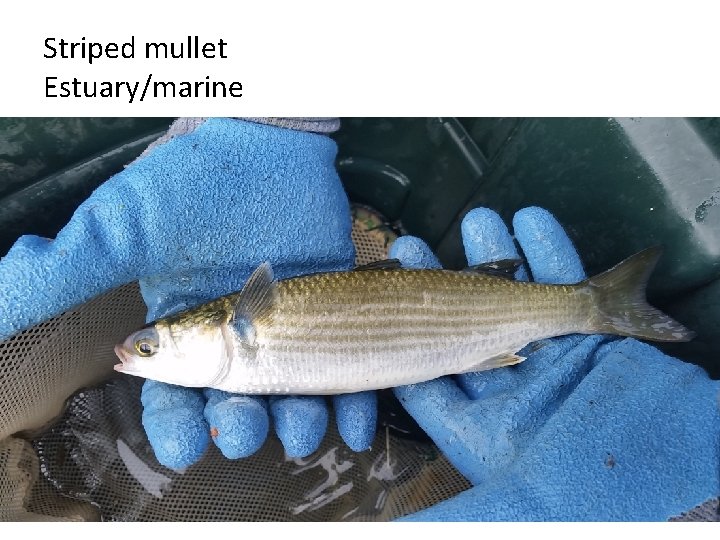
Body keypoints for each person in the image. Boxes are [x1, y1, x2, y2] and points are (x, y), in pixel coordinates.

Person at [0, 117, 717, 520]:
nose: (138, 348)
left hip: (462, 331)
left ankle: (596, 306)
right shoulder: (239, 328)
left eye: (152, 344)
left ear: (224, 325)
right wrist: (265, 115)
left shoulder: (248, 328)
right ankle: (596, 306)